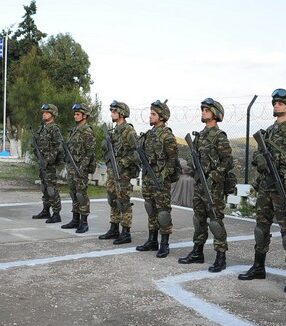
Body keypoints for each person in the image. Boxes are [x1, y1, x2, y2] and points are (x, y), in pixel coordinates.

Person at [238, 89, 286, 293]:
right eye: (275, 102)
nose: (276, 105)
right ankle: (259, 266)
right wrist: (259, 160)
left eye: (280, 103)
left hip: (282, 188)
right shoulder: (268, 131)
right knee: (261, 228)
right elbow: (258, 158)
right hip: (266, 187)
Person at [179, 98, 234, 272]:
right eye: (202, 109)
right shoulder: (199, 136)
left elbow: (228, 162)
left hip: (214, 187)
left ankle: (220, 256)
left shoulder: (219, 137)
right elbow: (193, 159)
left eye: (207, 110)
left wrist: (213, 177)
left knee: (216, 222)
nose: (203, 112)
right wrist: (193, 167)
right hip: (200, 185)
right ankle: (197, 252)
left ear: (215, 114)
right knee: (198, 219)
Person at [136, 100, 179, 258]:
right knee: (150, 209)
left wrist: (162, 176)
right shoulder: (148, 134)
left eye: (153, 114)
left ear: (162, 117)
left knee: (163, 212)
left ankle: (164, 244)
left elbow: (173, 161)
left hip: (160, 180)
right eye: (151, 113)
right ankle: (152, 240)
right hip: (148, 178)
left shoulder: (167, 136)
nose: (150, 116)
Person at [98, 101, 139, 245]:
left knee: (123, 202)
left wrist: (123, 163)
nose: (112, 114)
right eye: (112, 111)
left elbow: (137, 153)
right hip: (112, 172)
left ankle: (126, 232)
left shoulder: (129, 131)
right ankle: (114, 228)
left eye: (114, 111)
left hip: (123, 174)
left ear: (121, 113)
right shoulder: (114, 131)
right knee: (112, 200)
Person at [60, 103, 96, 233]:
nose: (75, 116)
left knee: (81, 195)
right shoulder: (74, 130)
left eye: (78, 114)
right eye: (75, 114)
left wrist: (82, 168)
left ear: (85, 116)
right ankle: (75, 220)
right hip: (71, 167)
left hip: (80, 168)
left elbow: (90, 152)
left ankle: (84, 222)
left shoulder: (87, 131)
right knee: (73, 194)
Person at [31, 103, 64, 224]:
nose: (44, 114)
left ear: (53, 114)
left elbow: (59, 146)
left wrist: (49, 160)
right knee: (44, 188)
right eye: (43, 112)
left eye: (47, 113)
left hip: (49, 164)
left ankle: (56, 213)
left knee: (51, 189)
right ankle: (46, 210)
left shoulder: (54, 129)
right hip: (42, 163)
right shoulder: (42, 128)